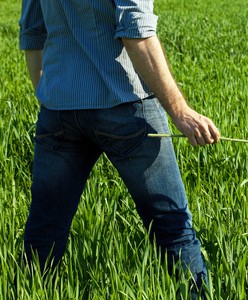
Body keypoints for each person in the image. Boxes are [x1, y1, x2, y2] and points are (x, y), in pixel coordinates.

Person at [19, 0, 220, 297]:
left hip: (58, 108)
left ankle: (25, 292)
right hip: (126, 109)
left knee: (44, 230)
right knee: (173, 227)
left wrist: (50, 95)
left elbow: (33, 32)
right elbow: (136, 29)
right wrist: (181, 112)